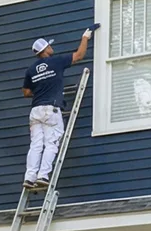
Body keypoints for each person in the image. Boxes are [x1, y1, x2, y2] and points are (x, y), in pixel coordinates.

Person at [21, 27, 96, 187]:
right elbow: (79, 55)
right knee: (51, 143)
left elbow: (26, 92)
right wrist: (85, 37)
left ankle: (29, 177)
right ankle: (43, 175)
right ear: (45, 50)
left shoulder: (31, 70)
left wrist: (40, 90)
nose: (51, 47)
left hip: (35, 111)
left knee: (35, 145)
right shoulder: (56, 62)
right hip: (51, 110)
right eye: (49, 46)